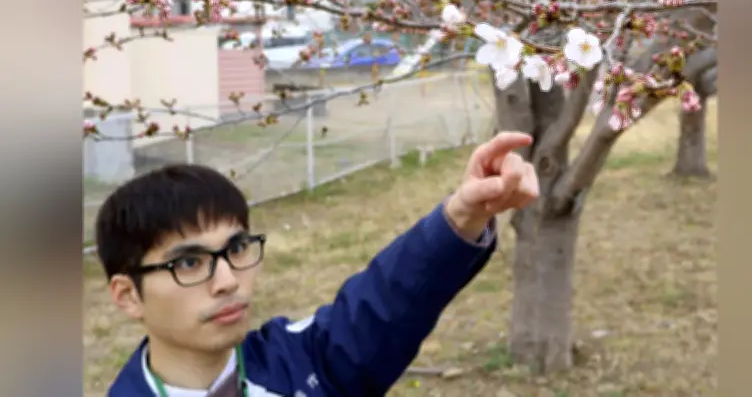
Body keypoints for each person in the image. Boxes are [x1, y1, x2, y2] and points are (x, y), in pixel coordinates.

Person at [98, 131, 539, 397]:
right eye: (190, 263)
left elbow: (385, 303)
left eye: (236, 249)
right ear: (128, 295)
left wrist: (463, 215)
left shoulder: (306, 364)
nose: (228, 281)